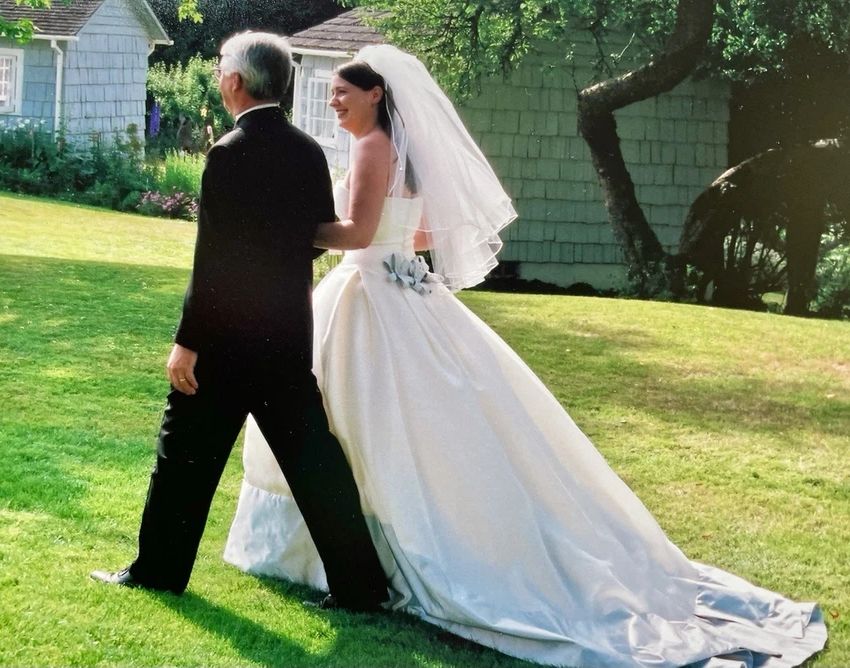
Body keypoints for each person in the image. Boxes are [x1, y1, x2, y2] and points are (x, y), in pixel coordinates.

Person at [223, 45, 828, 667]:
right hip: (398, 285)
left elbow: (355, 232)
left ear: (375, 94)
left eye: (342, 92)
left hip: (369, 293)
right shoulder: (398, 149)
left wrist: (283, 228)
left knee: (358, 421)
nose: (332, 101)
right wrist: (394, 244)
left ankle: (349, 553)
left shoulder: (372, 147)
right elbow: (421, 231)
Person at [91, 32, 389, 613]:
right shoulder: (308, 151)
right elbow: (314, 238)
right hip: (286, 335)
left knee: (183, 456)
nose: (218, 77)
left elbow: (212, 259)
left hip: (226, 342)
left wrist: (187, 342)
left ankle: (158, 573)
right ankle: (362, 588)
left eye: (220, 69)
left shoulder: (227, 152)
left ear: (235, 81)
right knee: (314, 462)